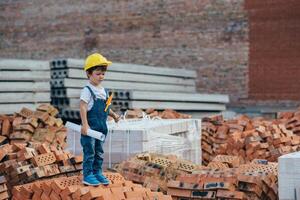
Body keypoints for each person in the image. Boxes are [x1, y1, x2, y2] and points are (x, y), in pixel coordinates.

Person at [79, 53, 120, 186]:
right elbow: (83, 107)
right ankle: (87, 175)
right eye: (98, 73)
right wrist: (85, 126)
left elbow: (106, 108)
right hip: (90, 128)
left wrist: (113, 115)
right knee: (89, 152)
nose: (101, 76)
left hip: (102, 128)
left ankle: (97, 172)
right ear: (89, 73)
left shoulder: (103, 91)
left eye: (103, 73)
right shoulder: (87, 90)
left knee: (99, 152)